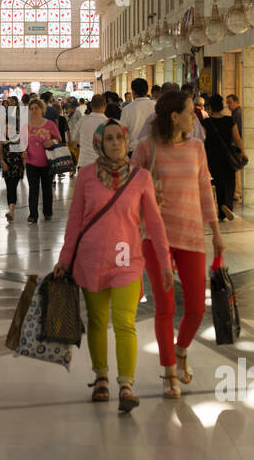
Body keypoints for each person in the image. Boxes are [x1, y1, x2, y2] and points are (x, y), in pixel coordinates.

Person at [55, 120, 171, 409]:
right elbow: (74, 221)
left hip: (127, 259)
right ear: (99, 144)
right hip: (91, 260)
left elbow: (154, 222)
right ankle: (102, 377)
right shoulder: (86, 177)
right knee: (97, 321)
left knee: (124, 322)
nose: (116, 143)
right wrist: (64, 259)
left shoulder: (140, 177)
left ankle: (126, 386)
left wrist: (165, 260)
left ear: (126, 141)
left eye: (120, 138)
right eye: (109, 139)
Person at [133, 91, 225, 395]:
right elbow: (129, 191)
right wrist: (147, 196)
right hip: (155, 238)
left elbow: (204, 189)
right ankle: (169, 371)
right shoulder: (147, 148)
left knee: (197, 307)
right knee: (166, 307)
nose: (194, 117)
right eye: (189, 112)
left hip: (191, 234)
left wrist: (216, 231)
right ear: (175, 116)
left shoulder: (197, 147)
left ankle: (181, 349)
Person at [205, 92, 246, 221]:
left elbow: (201, 140)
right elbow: (237, 138)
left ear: (210, 107)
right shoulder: (229, 120)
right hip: (228, 157)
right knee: (229, 182)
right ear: (222, 106)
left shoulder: (206, 122)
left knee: (217, 182)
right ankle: (227, 205)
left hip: (212, 157)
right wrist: (243, 152)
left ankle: (221, 209)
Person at [23, 97, 61, 223]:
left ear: (42, 109)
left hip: (47, 162)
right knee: (33, 190)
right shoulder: (26, 126)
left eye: (36, 108)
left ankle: (48, 212)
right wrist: (23, 152)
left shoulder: (50, 124)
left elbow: (59, 139)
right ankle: (33, 215)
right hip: (31, 163)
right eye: (31, 109)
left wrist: (52, 141)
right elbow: (23, 144)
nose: (34, 111)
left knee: (47, 189)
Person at [0, 94, 26, 221]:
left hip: (17, 159)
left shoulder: (21, 126)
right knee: (9, 184)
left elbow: (22, 144)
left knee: (12, 185)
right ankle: (10, 208)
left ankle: (11, 210)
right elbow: (0, 145)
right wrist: (2, 160)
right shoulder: (2, 126)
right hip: (6, 158)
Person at [117, 78, 156, 153]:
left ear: (133, 92)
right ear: (147, 90)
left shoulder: (127, 109)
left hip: (134, 150)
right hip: (153, 149)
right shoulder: (156, 106)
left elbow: (122, 131)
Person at [77, 93, 108, 167]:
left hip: (84, 162)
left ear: (91, 105)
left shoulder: (82, 120)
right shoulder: (108, 123)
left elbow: (74, 140)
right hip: (103, 165)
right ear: (105, 106)